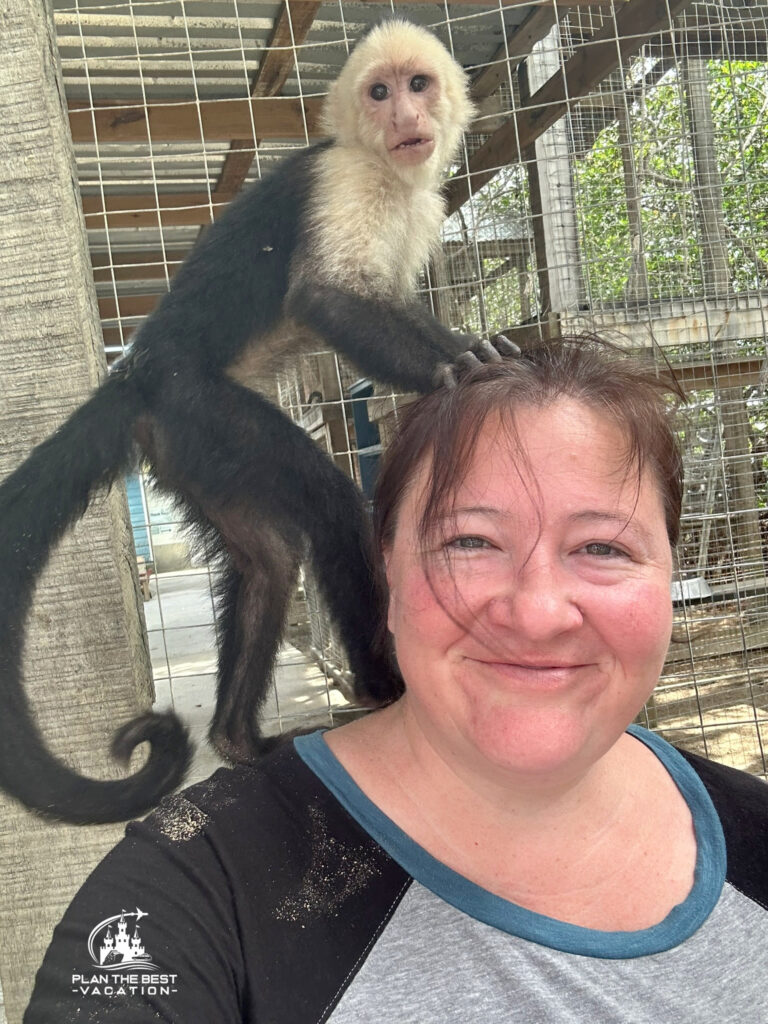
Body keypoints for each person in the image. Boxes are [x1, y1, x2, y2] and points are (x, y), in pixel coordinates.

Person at [25, 336, 768, 1022]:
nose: (538, 613)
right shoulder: (205, 878)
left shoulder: (752, 836)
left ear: (670, 571)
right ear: (388, 566)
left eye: (603, 547)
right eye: (469, 541)